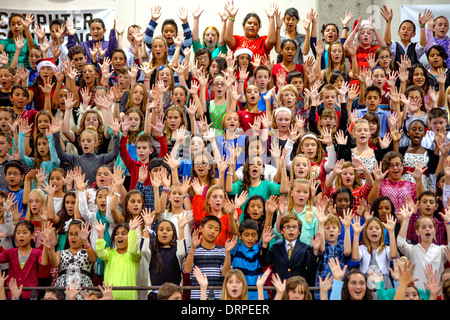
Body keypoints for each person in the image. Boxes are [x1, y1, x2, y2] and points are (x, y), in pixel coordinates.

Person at [259, 214, 322, 292]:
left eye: (294, 227)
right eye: (288, 227)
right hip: (279, 290)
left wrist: (315, 251)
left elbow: (311, 268)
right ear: (282, 230)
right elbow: (264, 262)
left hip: (298, 291)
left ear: (299, 231)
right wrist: (264, 244)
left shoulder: (305, 248)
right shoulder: (275, 247)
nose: (291, 230)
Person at [183, 215, 236, 300]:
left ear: (218, 234)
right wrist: (193, 247)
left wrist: (227, 252)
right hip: (197, 296)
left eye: (216, 230)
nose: (213, 232)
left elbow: (226, 274)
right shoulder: (192, 249)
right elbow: (187, 270)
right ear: (201, 228)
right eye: (210, 227)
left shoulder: (223, 251)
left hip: (218, 297)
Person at [94, 216, 142, 300]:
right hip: (109, 298)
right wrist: (100, 234)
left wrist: (132, 231)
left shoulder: (134, 255)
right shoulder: (110, 252)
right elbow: (100, 253)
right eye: (116, 234)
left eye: (124, 233)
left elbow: (132, 250)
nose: (119, 236)